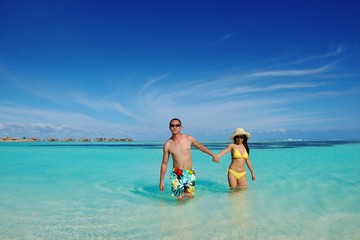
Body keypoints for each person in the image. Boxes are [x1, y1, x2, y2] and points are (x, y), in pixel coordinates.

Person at [159, 118, 220, 200]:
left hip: (189, 172)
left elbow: (200, 147)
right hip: (177, 174)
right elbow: (164, 163)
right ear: (169, 128)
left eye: (177, 125)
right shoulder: (168, 145)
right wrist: (161, 181)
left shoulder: (188, 139)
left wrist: (213, 154)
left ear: (181, 127)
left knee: (190, 197)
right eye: (172, 125)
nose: (175, 127)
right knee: (178, 199)